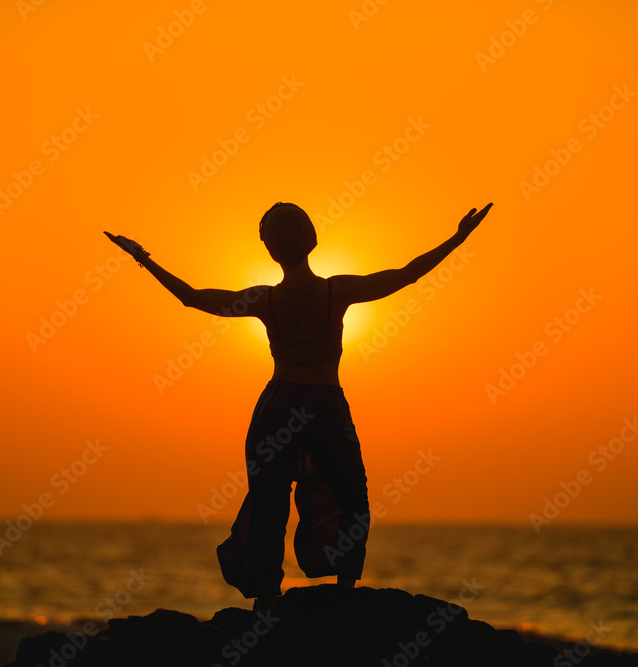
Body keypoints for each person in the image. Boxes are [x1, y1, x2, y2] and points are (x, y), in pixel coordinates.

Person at [105, 200, 492, 613]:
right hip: (325, 403)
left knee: (270, 500)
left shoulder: (264, 300)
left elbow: (193, 298)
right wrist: (457, 238)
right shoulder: (336, 290)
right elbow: (406, 276)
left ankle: (269, 598)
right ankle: (345, 590)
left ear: (271, 250)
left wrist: (143, 258)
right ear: (311, 240)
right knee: (350, 494)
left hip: (279, 405)